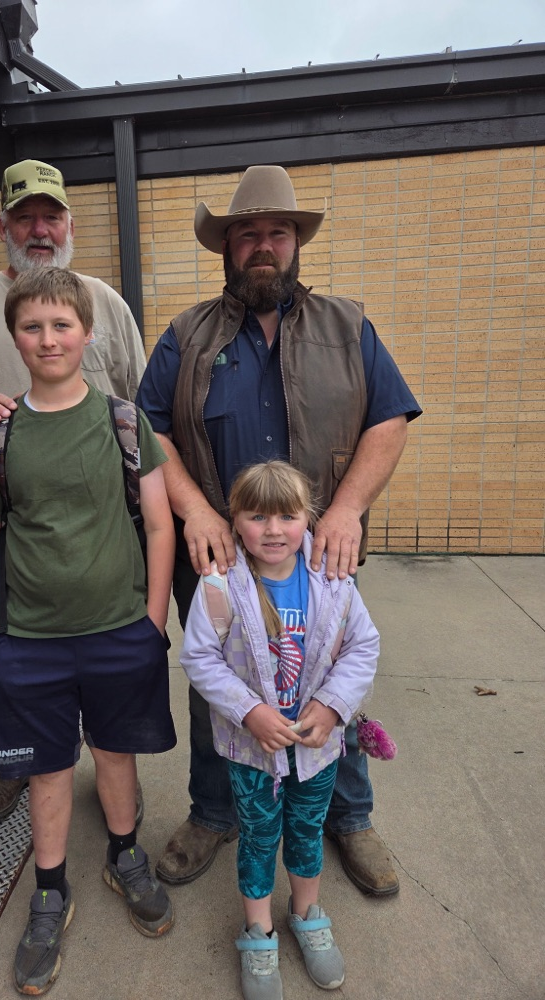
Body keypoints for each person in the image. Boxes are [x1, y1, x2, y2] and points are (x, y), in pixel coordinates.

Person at [136, 164, 422, 895]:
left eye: (278, 232)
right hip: (216, 556)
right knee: (217, 684)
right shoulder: (185, 335)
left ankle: (348, 816)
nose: (263, 246)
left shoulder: (348, 327)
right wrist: (197, 510)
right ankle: (214, 812)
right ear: (227, 247)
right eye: (248, 234)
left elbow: (389, 419)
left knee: (328, 674)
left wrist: (347, 509)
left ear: (297, 243)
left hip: (316, 553)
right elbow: (148, 429)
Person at [0, 268, 176, 996]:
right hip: (29, 640)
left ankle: (124, 854)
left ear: (87, 333)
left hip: (119, 630)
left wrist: (152, 623)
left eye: (61, 325)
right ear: (14, 338)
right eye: (32, 327)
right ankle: (49, 888)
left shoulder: (123, 422)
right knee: (46, 768)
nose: (48, 339)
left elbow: (160, 524)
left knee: (115, 752)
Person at [0, 159, 147, 826]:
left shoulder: (104, 304)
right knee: (10, 649)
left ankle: (113, 764)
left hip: (102, 523)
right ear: (3, 227)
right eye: (25, 218)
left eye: (51, 217)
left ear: (70, 225)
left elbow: (139, 399)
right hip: (10, 518)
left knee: (108, 658)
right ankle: (14, 762)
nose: (40, 229)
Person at [181, 461, 379, 998]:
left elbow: (362, 646)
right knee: (258, 835)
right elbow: (199, 656)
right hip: (251, 750)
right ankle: (258, 930)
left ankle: (308, 915)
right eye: (257, 517)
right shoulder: (220, 587)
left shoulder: (333, 581)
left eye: (287, 516)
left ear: (307, 518)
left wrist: (333, 707)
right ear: (235, 521)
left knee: (308, 829)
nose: (273, 530)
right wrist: (248, 711)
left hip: (316, 747)